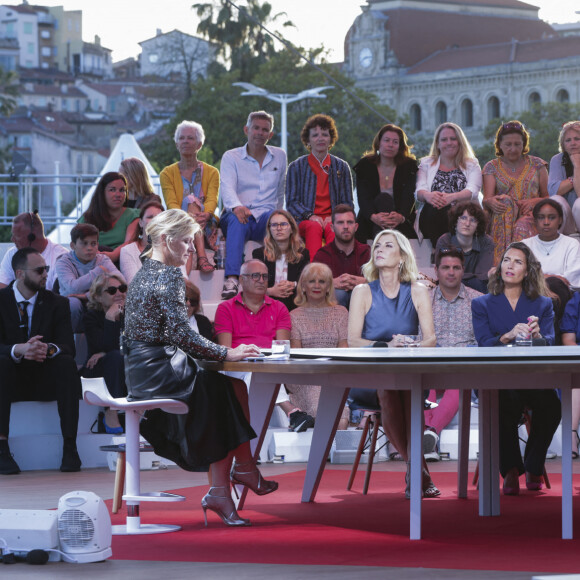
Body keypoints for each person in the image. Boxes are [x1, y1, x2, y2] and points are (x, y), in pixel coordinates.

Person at [124, 209, 276, 528]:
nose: (194, 248)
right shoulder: (165, 276)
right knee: (224, 389)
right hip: (158, 371)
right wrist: (229, 351)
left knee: (232, 387)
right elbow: (182, 334)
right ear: (166, 240)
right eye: (187, 241)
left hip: (144, 369)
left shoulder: (146, 272)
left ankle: (231, 481)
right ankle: (237, 475)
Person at [348, 229, 439, 498]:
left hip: (407, 370)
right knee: (388, 390)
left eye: (388, 245)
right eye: (377, 245)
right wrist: (385, 346)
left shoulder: (417, 291)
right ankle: (417, 468)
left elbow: (431, 340)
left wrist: (409, 346)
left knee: (407, 390)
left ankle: (415, 469)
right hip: (369, 374)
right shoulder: (362, 291)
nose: (379, 249)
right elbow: (352, 341)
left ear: (401, 257)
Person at [471, 242, 560, 495]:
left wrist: (539, 335)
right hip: (498, 379)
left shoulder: (542, 304)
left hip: (533, 378)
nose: (510, 266)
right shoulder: (482, 304)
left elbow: (551, 343)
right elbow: (484, 343)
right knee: (499, 401)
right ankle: (510, 469)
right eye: (506, 260)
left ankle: (534, 464)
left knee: (552, 405)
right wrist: (508, 335)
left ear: (528, 270)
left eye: (518, 262)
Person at [0, 248, 81, 475]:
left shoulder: (57, 303)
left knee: (65, 363)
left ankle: (70, 447)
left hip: (45, 376)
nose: (46, 274)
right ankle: (1, 449)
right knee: (2, 364)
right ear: (19, 274)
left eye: (46, 269)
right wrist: (19, 350)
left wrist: (47, 349)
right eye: (39, 270)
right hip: (10, 379)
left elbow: (68, 347)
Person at [214, 259, 311, 430]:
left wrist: (262, 359)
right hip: (235, 367)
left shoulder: (279, 308)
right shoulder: (225, 308)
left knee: (259, 372)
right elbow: (226, 351)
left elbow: (282, 349)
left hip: (269, 365)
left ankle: (251, 439)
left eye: (265, 277)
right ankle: (291, 411)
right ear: (242, 280)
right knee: (256, 372)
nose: (261, 280)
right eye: (255, 276)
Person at [218, 111, 287, 300]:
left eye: (265, 130)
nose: (260, 133)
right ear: (246, 129)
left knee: (278, 221)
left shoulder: (280, 156)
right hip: (238, 213)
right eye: (256, 128)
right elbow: (227, 187)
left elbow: (280, 190)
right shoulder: (231, 157)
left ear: (270, 135)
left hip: (265, 215)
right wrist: (237, 206)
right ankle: (232, 279)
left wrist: (278, 213)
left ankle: (276, 278)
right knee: (236, 221)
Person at [424, 247, 481, 461]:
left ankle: (429, 434)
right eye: (445, 267)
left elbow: (481, 341)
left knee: (458, 383)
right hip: (429, 366)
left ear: (463, 270)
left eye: (456, 267)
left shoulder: (478, 301)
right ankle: (430, 437)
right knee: (423, 387)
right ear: (436, 270)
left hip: (463, 368)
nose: (451, 272)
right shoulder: (423, 300)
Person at [287, 263, 350, 429]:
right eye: (311, 281)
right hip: (306, 377)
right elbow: (296, 356)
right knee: (325, 412)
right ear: (303, 286)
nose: (316, 286)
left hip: (334, 375)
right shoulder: (294, 315)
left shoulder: (341, 312)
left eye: (322, 281)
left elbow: (344, 348)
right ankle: (323, 453)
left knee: (341, 418)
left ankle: (331, 454)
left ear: (329, 286)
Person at [286, 114, 353, 257]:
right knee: (314, 227)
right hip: (305, 221)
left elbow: (347, 202)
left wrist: (334, 216)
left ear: (330, 139)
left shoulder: (342, 166)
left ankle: (334, 272)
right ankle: (315, 272)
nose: (320, 138)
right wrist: (310, 216)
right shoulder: (295, 167)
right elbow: (292, 203)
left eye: (324, 134)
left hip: (333, 219)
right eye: (315, 135)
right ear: (308, 140)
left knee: (333, 227)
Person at [482, 120, 548, 264]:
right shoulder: (491, 167)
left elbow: (548, 197)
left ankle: (519, 264)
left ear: (524, 144)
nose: (513, 149)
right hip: (503, 216)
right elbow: (486, 199)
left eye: (517, 144)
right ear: (500, 145)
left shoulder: (538, 165)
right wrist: (490, 201)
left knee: (521, 225)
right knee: (504, 202)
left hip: (531, 215)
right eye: (508, 145)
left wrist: (534, 201)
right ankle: (499, 263)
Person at [159, 120, 219, 273]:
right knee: (190, 201)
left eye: (190, 138)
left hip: (207, 221)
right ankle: (201, 256)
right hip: (179, 220)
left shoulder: (212, 172)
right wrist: (187, 218)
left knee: (192, 202)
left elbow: (212, 199)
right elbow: (171, 203)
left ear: (199, 144)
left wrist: (207, 214)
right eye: (181, 138)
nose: (185, 141)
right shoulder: (167, 173)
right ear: (177, 143)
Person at [415, 122, 481, 246]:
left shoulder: (472, 164)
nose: (449, 143)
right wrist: (428, 196)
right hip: (432, 215)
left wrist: (451, 197)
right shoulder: (426, 164)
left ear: (460, 142)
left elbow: (473, 191)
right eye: (444, 140)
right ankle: (440, 250)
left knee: (451, 209)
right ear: (438, 144)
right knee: (436, 207)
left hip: (462, 215)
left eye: (453, 139)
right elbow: (419, 191)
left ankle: (446, 252)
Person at [354, 123, 418, 242]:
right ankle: (385, 242)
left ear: (400, 146)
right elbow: (363, 198)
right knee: (383, 199)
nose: (390, 145)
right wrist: (374, 217)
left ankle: (383, 242)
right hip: (370, 220)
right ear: (379, 143)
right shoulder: (365, 165)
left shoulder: (408, 166)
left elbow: (409, 197)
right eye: (387, 140)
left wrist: (401, 217)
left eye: (395, 142)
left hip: (399, 220)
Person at [82, 272, 127, 434]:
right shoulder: (91, 317)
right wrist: (110, 318)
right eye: (112, 290)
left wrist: (104, 352)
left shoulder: (133, 315)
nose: (119, 293)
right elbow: (102, 344)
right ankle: (111, 411)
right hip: (98, 370)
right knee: (114, 357)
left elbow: (138, 345)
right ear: (99, 297)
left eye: (122, 288)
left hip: (126, 365)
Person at [55, 223, 122, 333]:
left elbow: (120, 282)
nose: (89, 248)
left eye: (93, 243)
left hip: (99, 300)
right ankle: (71, 340)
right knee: (73, 304)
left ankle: (112, 341)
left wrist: (87, 295)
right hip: (73, 301)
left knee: (115, 298)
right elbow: (73, 288)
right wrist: (99, 271)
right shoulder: (63, 262)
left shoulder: (103, 259)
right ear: (73, 245)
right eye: (84, 243)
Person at [313, 204, 370, 309]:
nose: (345, 227)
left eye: (349, 222)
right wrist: (330, 283)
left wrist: (365, 282)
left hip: (363, 308)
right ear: (332, 227)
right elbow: (310, 284)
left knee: (360, 292)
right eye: (340, 222)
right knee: (339, 294)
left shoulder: (367, 252)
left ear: (356, 227)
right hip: (332, 315)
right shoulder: (322, 255)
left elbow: (383, 280)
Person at [252, 210, 310, 312]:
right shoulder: (259, 254)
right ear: (269, 230)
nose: (279, 228)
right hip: (267, 305)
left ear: (292, 228)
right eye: (274, 225)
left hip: (294, 304)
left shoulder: (303, 254)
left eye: (283, 224)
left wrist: (294, 285)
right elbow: (253, 287)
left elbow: (307, 283)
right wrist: (271, 291)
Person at [78, 172, 140, 263]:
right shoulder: (87, 218)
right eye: (112, 190)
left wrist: (113, 255)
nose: (118, 194)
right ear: (102, 193)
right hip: (92, 261)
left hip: (122, 261)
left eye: (122, 190)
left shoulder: (133, 215)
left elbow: (129, 244)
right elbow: (79, 246)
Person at [0, 211, 67, 291]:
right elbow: (2, 288)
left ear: (32, 237)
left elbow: (59, 297)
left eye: (17, 236)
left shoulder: (61, 257)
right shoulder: (12, 254)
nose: (12, 239)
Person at [435, 201, 493, 293]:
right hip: (449, 286)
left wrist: (459, 275)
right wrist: (472, 276)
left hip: (478, 288)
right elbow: (444, 273)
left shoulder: (486, 241)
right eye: (463, 218)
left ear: (478, 225)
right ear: (455, 222)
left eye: (473, 220)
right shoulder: (444, 241)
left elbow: (482, 276)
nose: (467, 224)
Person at [522, 198, 580, 290]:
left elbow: (572, 280)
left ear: (560, 220)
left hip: (562, 296)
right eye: (541, 217)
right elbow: (517, 274)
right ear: (535, 221)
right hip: (530, 294)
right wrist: (546, 277)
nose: (546, 222)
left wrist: (535, 277)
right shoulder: (524, 246)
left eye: (552, 217)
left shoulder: (571, 244)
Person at [119, 201, 164, 284]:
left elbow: (182, 284)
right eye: (150, 217)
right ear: (140, 223)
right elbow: (135, 287)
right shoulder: (128, 251)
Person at [548, 120, 580, 234]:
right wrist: (573, 179)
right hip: (566, 221)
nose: (573, 143)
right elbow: (554, 191)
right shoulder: (557, 159)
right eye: (568, 140)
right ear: (563, 144)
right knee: (556, 201)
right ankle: (559, 240)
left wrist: (577, 165)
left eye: (577, 139)